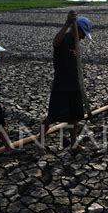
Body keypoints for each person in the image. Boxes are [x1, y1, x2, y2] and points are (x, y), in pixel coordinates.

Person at [42, 11, 93, 151]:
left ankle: (74, 143)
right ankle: (39, 139)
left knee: (74, 117)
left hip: (74, 83)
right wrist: (67, 23)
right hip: (61, 84)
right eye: (83, 34)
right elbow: (55, 42)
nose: (83, 38)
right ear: (79, 30)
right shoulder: (64, 38)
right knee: (52, 116)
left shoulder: (75, 42)